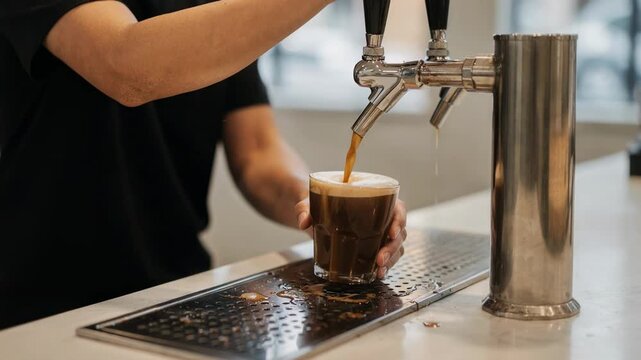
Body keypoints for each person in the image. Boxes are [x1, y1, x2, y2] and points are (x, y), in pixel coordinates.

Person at [0, 0, 407, 329]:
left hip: (173, 297)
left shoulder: (216, 6)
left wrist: (322, 202)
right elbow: (126, 64)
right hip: (38, 310)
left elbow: (258, 153)